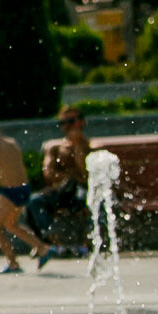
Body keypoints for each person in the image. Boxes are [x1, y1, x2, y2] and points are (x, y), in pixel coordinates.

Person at [0, 114, 49, 272]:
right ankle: (41, 248)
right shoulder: (11, 142)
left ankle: (13, 263)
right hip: (24, 189)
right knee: (11, 225)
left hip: (10, 190)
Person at [29, 108, 92, 257]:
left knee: (89, 201)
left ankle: (85, 244)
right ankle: (52, 243)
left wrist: (77, 148)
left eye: (70, 121)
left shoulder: (90, 146)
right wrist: (70, 176)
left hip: (82, 190)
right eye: (62, 123)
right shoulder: (54, 147)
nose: (67, 126)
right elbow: (48, 173)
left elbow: (86, 175)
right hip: (61, 191)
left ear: (81, 122)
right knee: (34, 201)